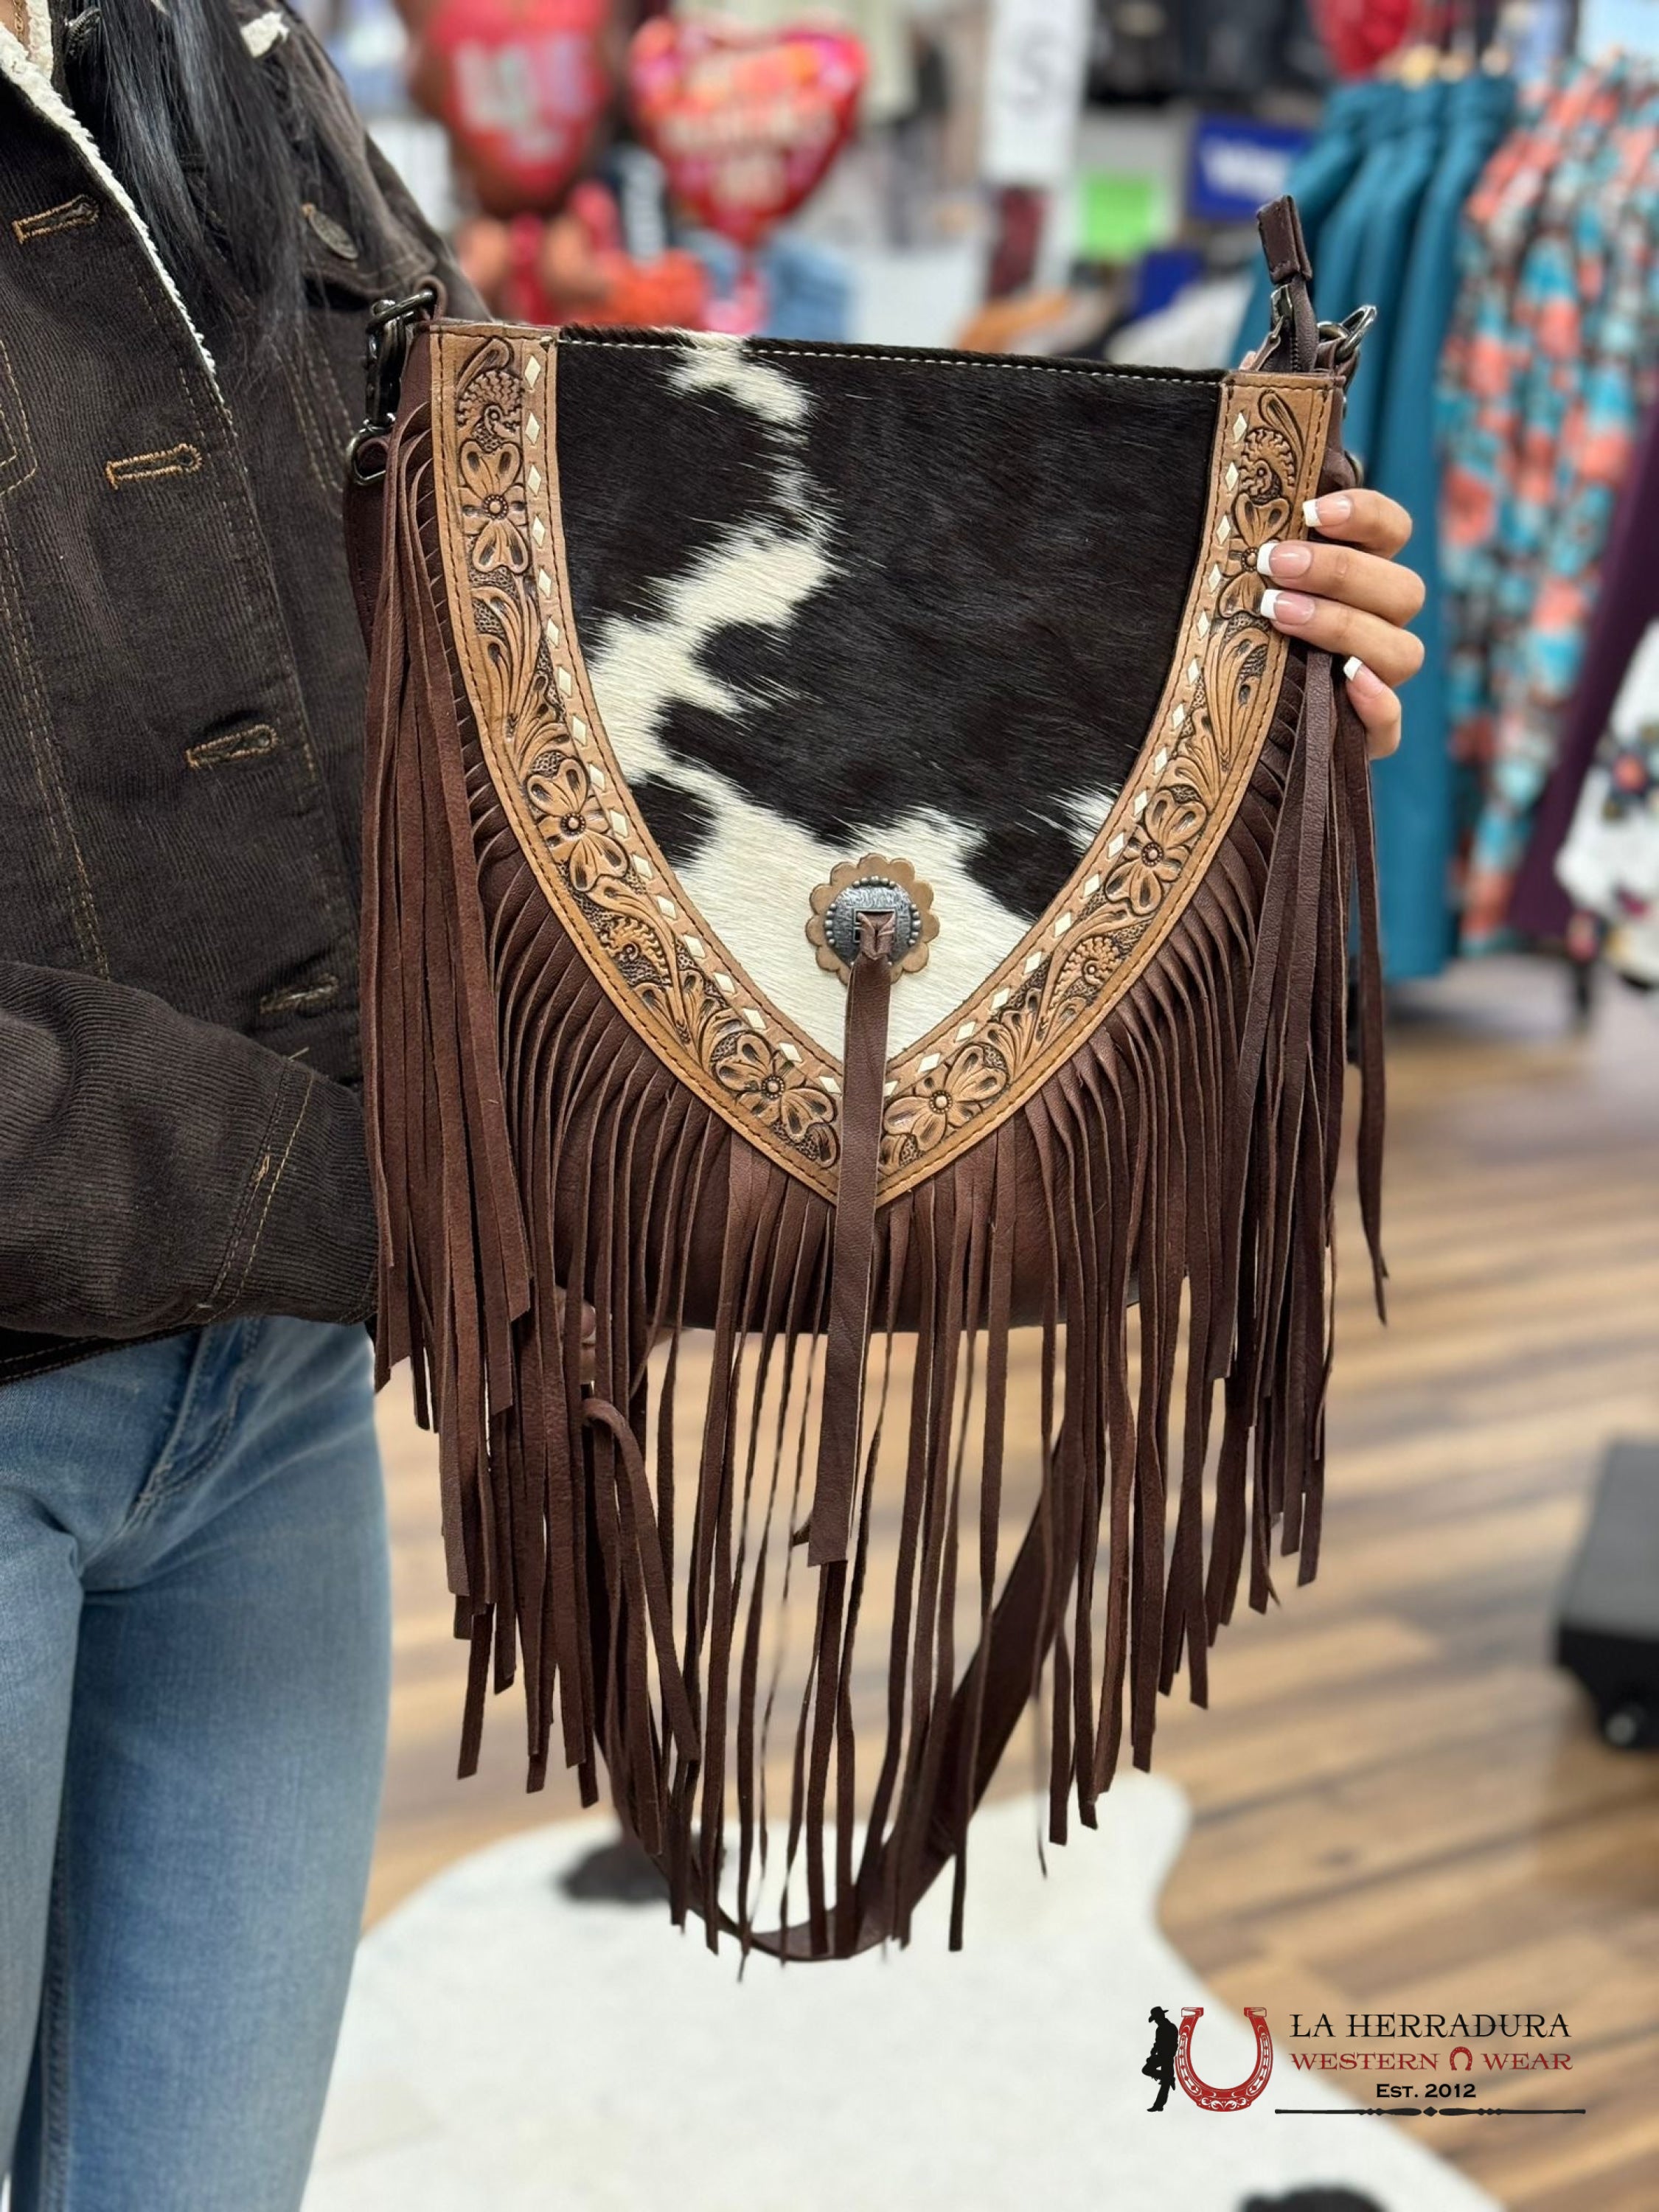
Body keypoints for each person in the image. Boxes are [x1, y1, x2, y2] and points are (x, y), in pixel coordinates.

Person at [0, 3, 1427, 2203]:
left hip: (271, 1398)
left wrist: (1199, 656)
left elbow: (536, 560)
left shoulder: (205, 48)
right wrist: (407, 1193)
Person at [1144, 2005, 1180, 2111]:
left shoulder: (1170, 2028)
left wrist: (1166, 2055)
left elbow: (1174, 2045)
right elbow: (1158, 2043)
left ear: (1161, 2017)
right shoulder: (1160, 2029)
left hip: (1167, 2057)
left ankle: (1158, 2105)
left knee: (1164, 2082)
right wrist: (1153, 2053)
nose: (1156, 2021)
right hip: (1162, 2056)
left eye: (1156, 2019)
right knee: (1164, 2080)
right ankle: (1168, 2078)